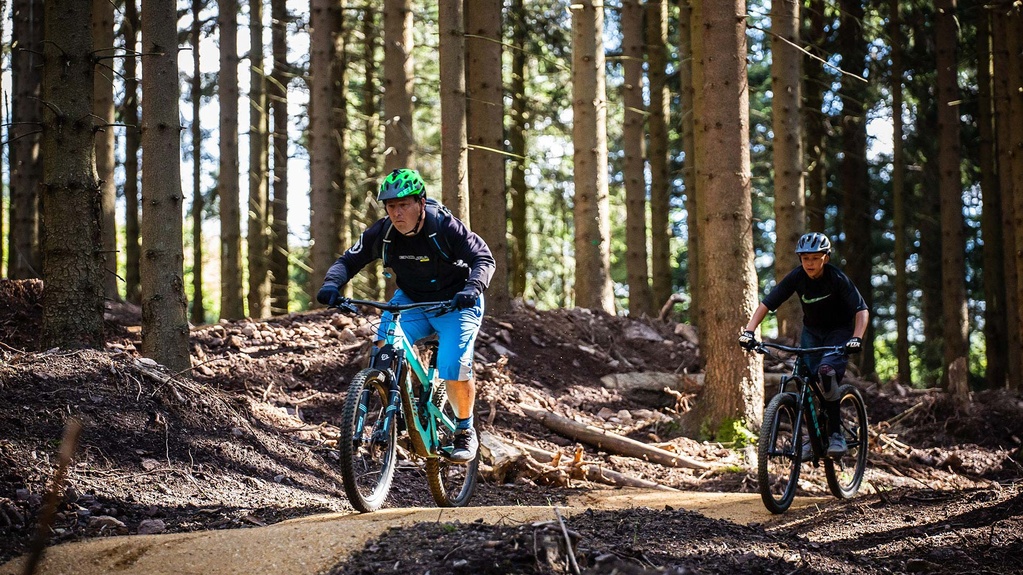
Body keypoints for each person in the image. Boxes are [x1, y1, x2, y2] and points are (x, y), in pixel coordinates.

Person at [316, 168, 495, 463]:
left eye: (404, 205)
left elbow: (483, 258)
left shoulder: (444, 226)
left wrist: (473, 288)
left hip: (456, 303)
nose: (397, 213)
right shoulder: (382, 233)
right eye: (391, 206)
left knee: (453, 364)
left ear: (421, 203)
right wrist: (331, 285)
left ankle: (465, 429)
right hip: (411, 301)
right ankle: (396, 401)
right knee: (385, 346)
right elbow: (349, 260)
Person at [738, 232, 868, 458]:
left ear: (825, 258)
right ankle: (813, 438)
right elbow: (767, 304)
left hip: (839, 333)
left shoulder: (837, 278)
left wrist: (856, 337)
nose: (810, 263)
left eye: (815, 258)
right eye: (806, 258)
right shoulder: (796, 277)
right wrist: (749, 331)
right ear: (800, 259)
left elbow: (862, 310)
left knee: (826, 373)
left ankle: (836, 434)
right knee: (803, 380)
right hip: (812, 333)